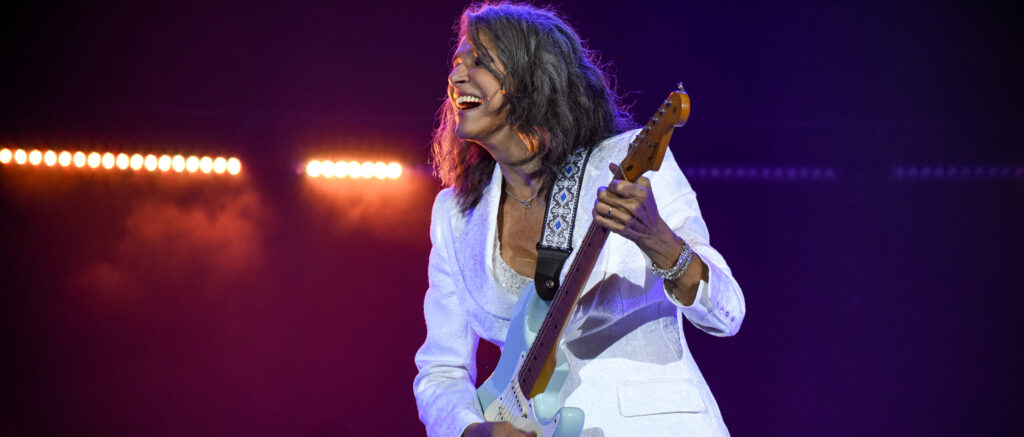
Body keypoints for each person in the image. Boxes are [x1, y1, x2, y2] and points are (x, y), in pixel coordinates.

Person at [413, 3, 745, 436]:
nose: (457, 76)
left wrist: (659, 241)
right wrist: (473, 430)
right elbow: (441, 370)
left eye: (479, 61)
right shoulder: (455, 214)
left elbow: (727, 315)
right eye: (457, 63)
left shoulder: (627, 163)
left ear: (531, 77)